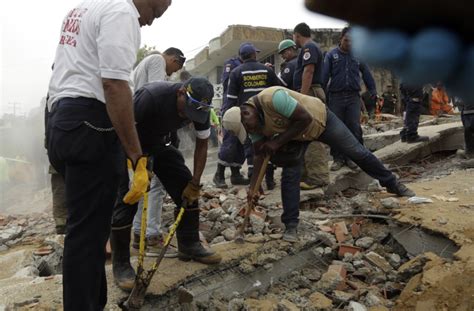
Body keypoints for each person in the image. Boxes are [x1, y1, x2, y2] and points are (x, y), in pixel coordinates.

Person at [45, 0, 171, 309]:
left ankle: (93, 303)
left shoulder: (85, 8)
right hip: (91, 122)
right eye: (156, 12)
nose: (151, 23)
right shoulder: (121, 12)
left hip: (62, 120)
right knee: (87, 235)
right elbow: (114, 85)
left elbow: (60, 69)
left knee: (88, 229)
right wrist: (137, 157)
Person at [222, 86, 415, 242]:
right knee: (290, 172)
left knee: (356, 152)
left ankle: (393, 184)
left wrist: (277, 142)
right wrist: (253, 188)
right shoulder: (253, 124)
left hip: (319, 119)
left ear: (246, 113)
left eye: (248, 127)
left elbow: (304, 119)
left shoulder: (273, 98)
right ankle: (291, 225)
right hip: (296, 135)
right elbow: (258, 155)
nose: (251, 130)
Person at [111, 77, 222, 291]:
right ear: (181, 93)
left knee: (183, 181)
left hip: (156, 143)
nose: (188, 119)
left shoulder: (200, 108)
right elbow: (122, 129)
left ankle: (189, 244)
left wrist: (195, 183)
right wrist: (137, 164)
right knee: (128, 196)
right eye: (185, 112)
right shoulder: (151, 98)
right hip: (126, 143)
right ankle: (121, 264)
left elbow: (202, 145)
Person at [130, 47, 185, 258]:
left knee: (144, 184)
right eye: (176, 67)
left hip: (142, 129)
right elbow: (156, 90)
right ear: (173, 58)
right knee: (154, 185)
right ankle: (149, 236)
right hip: (146, 131)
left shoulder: (151, 63)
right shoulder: (156, 61)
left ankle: (139, 234)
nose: (173, 73)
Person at [322, 26, 377, 171]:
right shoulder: (331, 55)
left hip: (353, 98)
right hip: (336, 97)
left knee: (354, 128)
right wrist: (321, 94)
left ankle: (354, 158)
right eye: (346, 40)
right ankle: (338, 159)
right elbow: (324, 76)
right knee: (336, 129)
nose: (349, 44)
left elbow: (366, 74)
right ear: (341, 39)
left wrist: (372, 90)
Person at [293, 22, 330, 190]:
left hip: (310, 93)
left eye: (294, 36)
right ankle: (308, 176)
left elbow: (308, 71)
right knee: (305, 135)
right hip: (311, 93)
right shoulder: (310, 48)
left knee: (313, 135)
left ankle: (317, 178)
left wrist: (302, 96)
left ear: (297, 35)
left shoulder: (309, 48)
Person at [213, 56, 244, 188]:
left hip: (242, 107)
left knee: (240, 143)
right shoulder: (231, 63)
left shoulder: (243, 65)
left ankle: (236, 174)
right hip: (231, 106)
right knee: (230, 142)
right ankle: (219, 175)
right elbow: (227, 83)